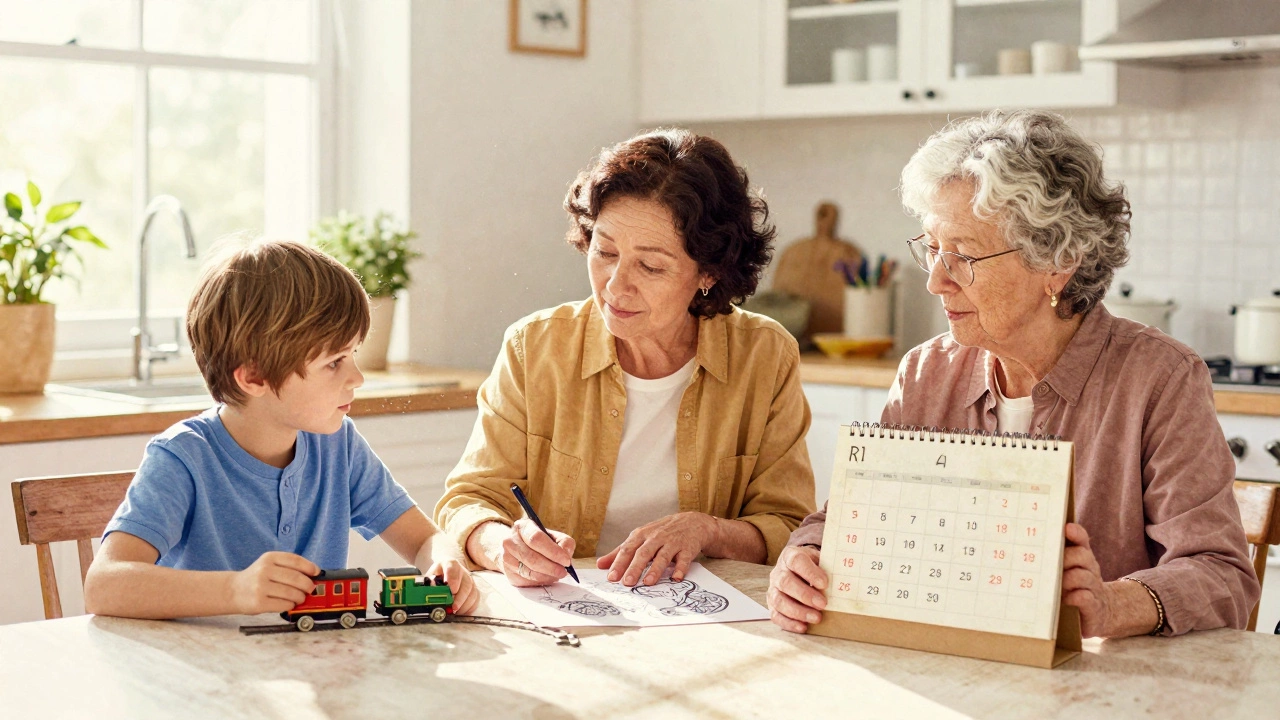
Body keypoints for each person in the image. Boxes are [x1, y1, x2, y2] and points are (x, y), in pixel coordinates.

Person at [768, 109, 1259, 638]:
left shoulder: (1160, 379)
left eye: (963, 256)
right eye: (932, 250)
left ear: (1058, 262)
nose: (936, 282)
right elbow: (849, 519)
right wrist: (803, 560)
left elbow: (1221, 576)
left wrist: (1112, 604)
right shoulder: (926, 373)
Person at [435, 128, 816, 589]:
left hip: (707, 614)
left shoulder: (765, 355)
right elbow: (469, 501)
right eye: (605, 251)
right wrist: (503, 546)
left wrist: (708, 530)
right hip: (567, 607)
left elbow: (788, 525)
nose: (615, 285)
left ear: (709, 273)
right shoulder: (534, 347)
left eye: (651, 266)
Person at [84, 240, 478, 619]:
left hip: (308, 659)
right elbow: (103, 584)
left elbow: (424, 539)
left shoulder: (339, 446)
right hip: (198, 662)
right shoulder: (183, 458)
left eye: (353, 354)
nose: (357, 378)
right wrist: (236, 590)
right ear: (254, 377)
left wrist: (445, 563)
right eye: (334, 362)